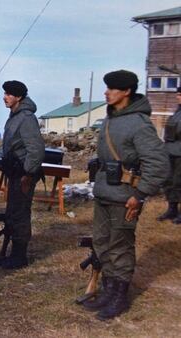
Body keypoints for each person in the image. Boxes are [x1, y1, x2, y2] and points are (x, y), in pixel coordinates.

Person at [82, 70, 168, 320]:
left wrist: (140, 194)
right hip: (104, 193)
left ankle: (119, 297)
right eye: (107, 88)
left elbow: (159, 163)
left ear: (127, 92)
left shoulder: (139, 123)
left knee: (120, 247)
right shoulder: (110, 120)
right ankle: (109, 291)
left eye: (112, 89)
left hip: (125, 197)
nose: (106, 92)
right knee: (102, 243)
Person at [0, 81, 44, 269]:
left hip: (24, 175)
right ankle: (12, 253)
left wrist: (28, 174)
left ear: (19, 97)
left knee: (20, 214)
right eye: (5, 93)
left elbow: (36, 149)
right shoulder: (14, 116)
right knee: (13, 212)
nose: (5, 97)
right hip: (15, 172)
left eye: (9, 94)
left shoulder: (26, 117)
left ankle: (19, 256)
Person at [157, 86, 181, 223]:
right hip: (170, 151)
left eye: (180, 94)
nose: (178, 97)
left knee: (179, 182)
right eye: (178, 94)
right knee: (169, 181)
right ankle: (172, 209)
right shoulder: (177, 112)